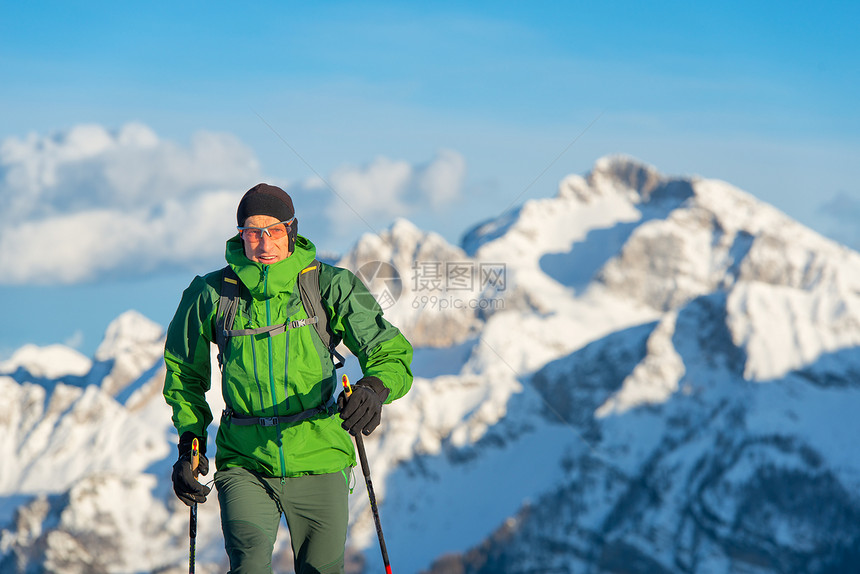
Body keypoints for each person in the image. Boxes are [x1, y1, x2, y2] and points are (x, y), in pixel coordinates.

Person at [163, 183, 413, 574]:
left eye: (274, 230)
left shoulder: (330, 285)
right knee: (248, 568)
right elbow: (184, 374)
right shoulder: (210, 294)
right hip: (245, 460)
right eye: (252, 231)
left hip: (321, 457)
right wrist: (188, 445)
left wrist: (374, 389)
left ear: (292, 230)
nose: (263, 243)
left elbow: (390, 351)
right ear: (240, 235)